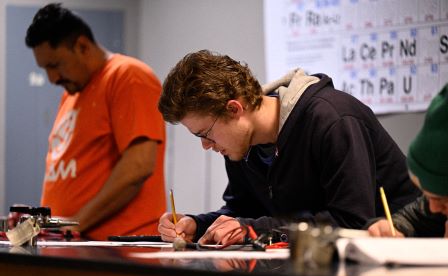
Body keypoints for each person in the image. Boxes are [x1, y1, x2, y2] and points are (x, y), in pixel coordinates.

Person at [158, 50, 419, 245]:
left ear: (234, 109)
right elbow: (245, 212)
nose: (206, 146)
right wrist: (199, 225)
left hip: (405, 258)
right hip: (316, 261)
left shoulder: (332, 119)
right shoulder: (240, 145)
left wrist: (253, 229)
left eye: (205, 134)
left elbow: (352, 221)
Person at [24, 3, 166, 240]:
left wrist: (75, 223)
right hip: (77, 246)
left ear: (82, 46)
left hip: (118, 250)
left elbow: (138, 167)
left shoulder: (128, 76)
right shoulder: (72, 94)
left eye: (55, 65)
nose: (52, 78)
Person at [368, 84, 448, 238]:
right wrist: (392, 227)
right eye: (429, 197)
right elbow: (412, 218)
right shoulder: (431, 205)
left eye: (442, 199)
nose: (433, 208)